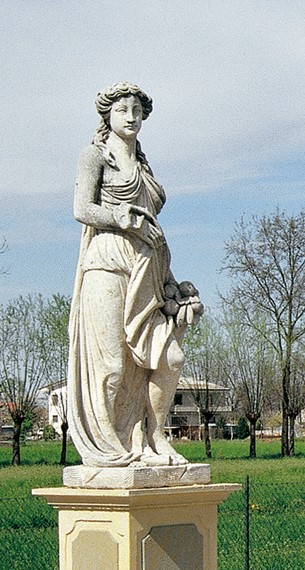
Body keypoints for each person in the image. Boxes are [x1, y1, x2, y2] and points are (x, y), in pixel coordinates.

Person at [67, 82, 200, 467]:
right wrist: (118, 218)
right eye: (124, 109)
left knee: (169, 359)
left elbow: (153, 233)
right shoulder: (94, 156)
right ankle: (110, 452)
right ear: (107, 115)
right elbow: (81, 208)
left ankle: (155, 440)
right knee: (111, 366)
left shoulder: (143, 166)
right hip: (106, 263)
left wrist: (174, 284)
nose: (132, 117)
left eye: (138, 111)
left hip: (148, 268)